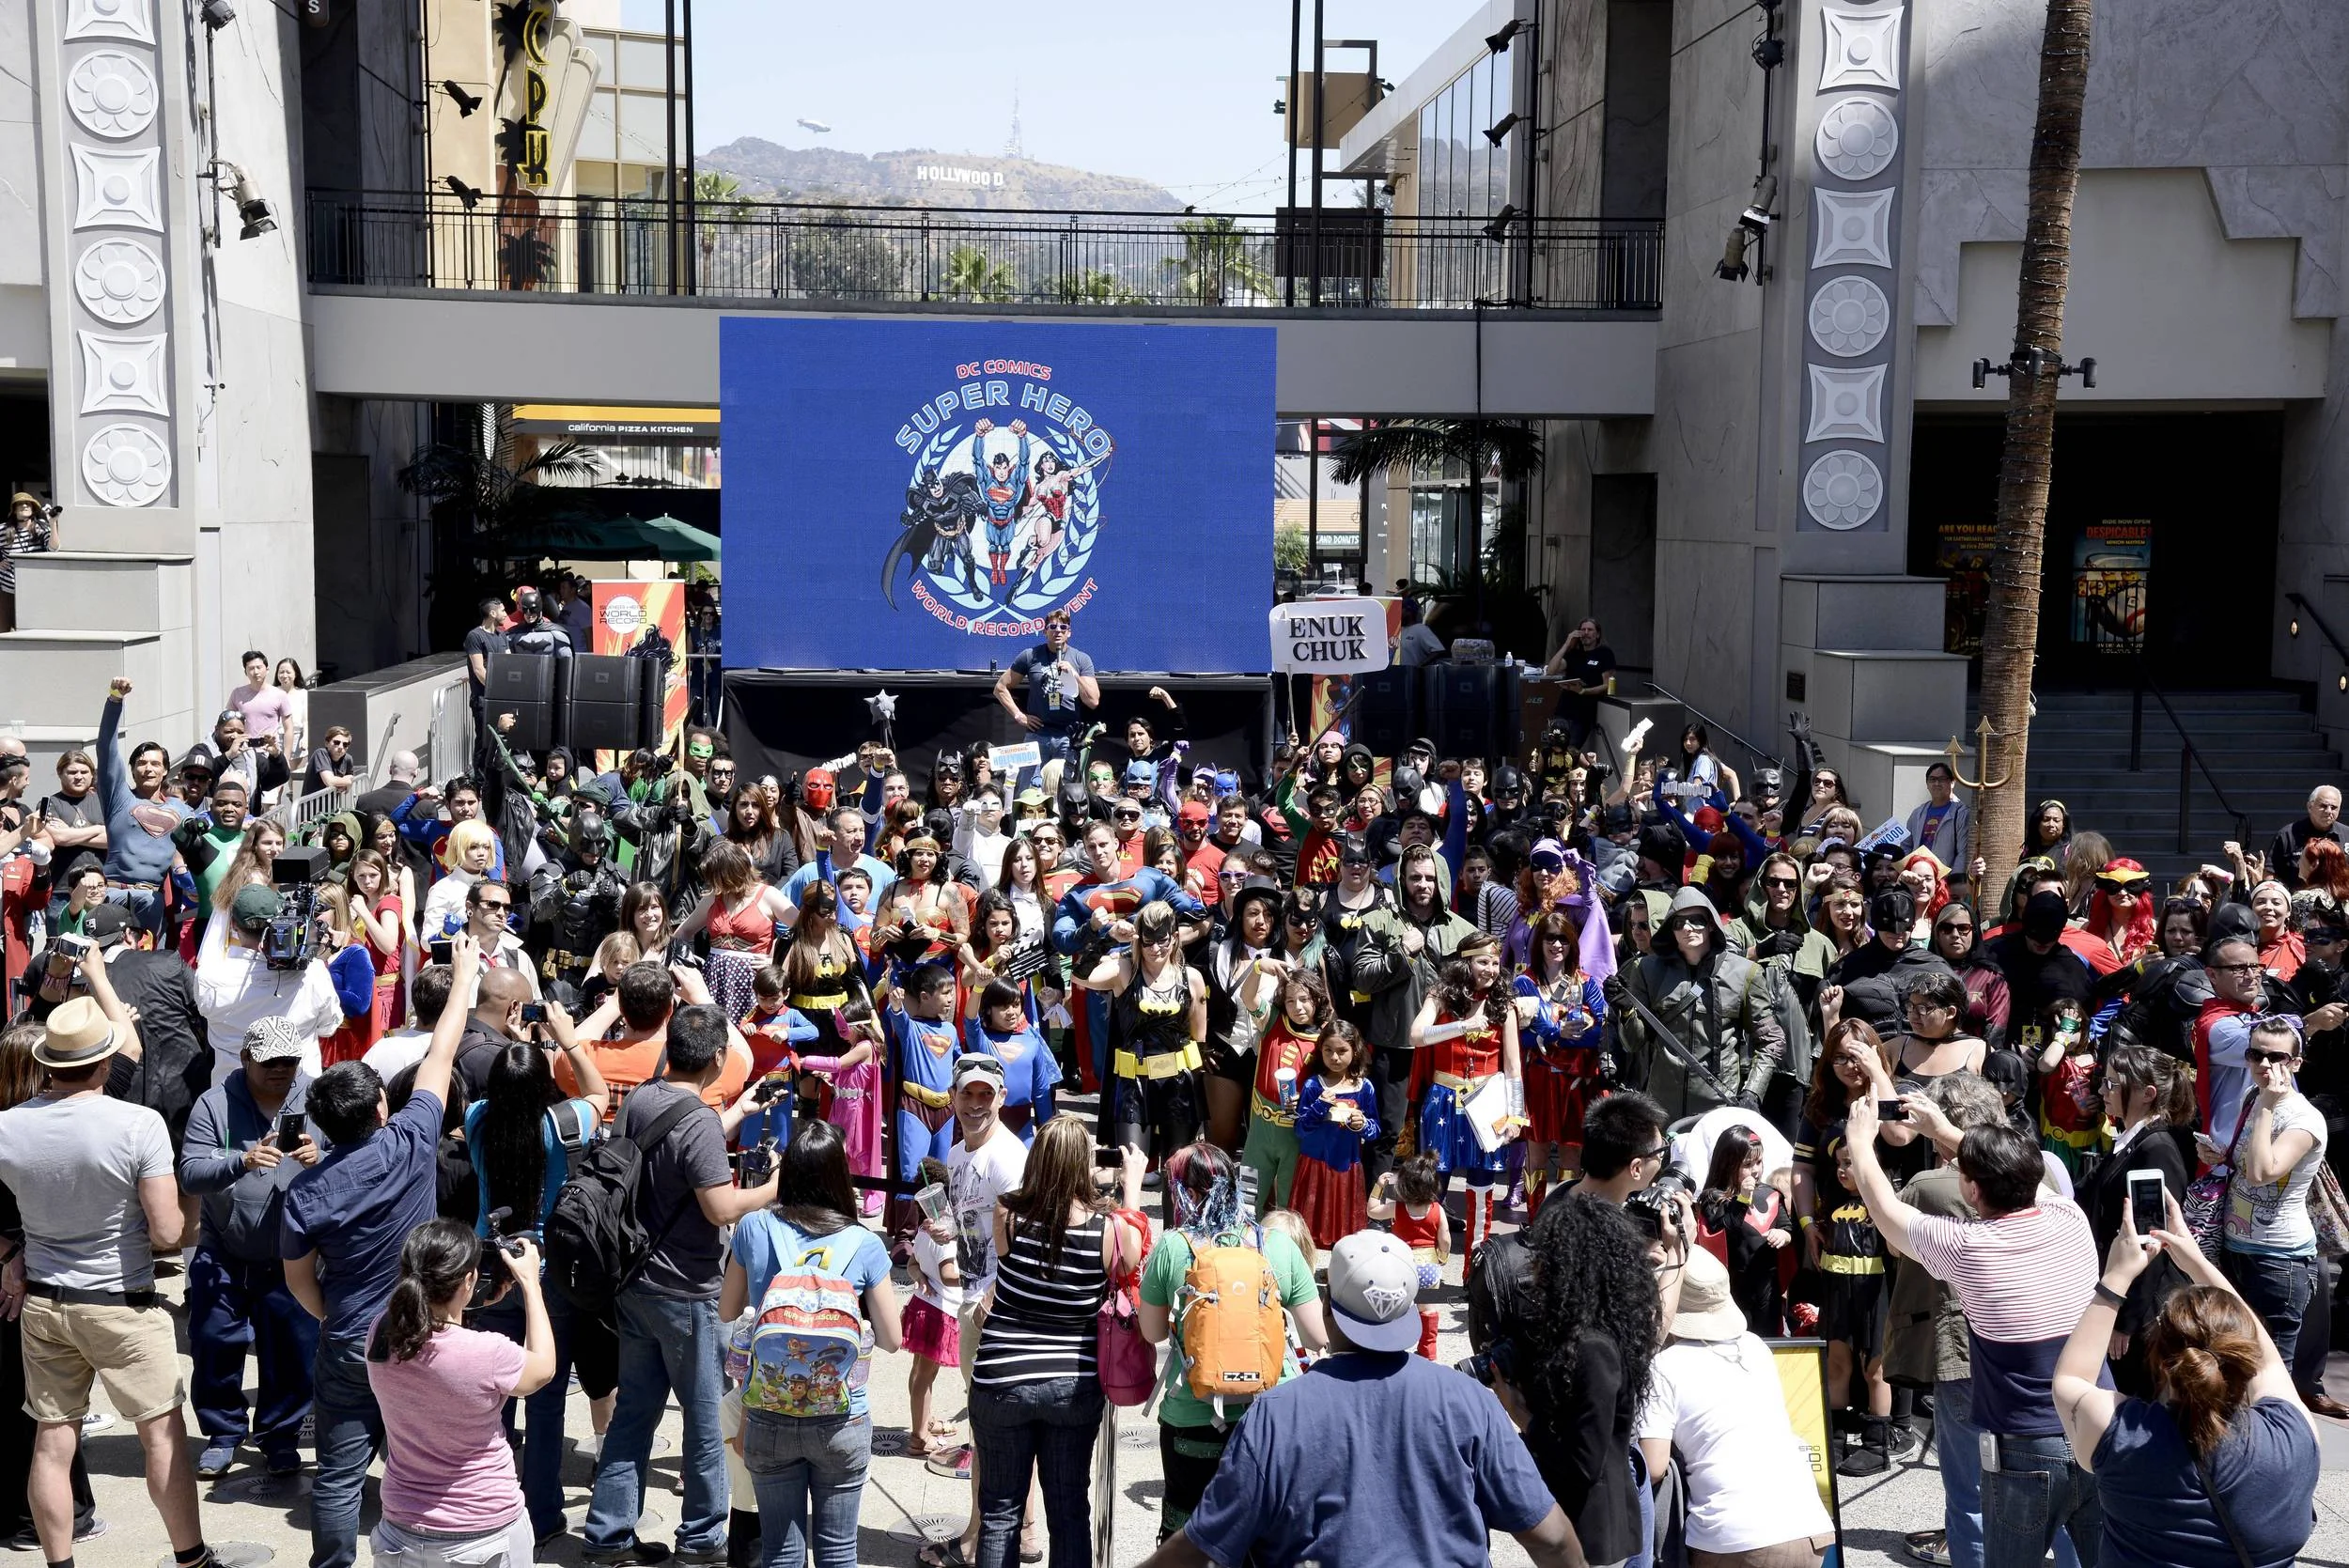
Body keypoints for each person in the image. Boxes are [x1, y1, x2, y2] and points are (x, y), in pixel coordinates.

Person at [1136, 1231, 1586, 1568]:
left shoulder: (1275, 1415)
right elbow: (1550, 1538)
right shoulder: (1471, 1402)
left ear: (1329, 1309)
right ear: (1411, 1311)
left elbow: (1206, 1545)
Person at [0, 975, 221, 1568]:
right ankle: (191, 1557)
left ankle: (59, 1563)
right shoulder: (137, 1124)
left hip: (46, 1304)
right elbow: (169, 1234)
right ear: (103, 1063)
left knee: (52, 1438)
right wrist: (194, 1203)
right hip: (121, 1304)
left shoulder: (9, 1127)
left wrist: (13, 1256)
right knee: (161, 1434)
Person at [281, 932, 479, 1568]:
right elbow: (442, 1051)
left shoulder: (305, 1192)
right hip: (419, 1332)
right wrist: (466, 974)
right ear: (378, 1105)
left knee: (339, 1474)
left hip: (347, 1339)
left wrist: (333, 1317)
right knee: (425, 1464)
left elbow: (298, 1279)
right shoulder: (411, 1139)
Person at [1842, 1099, 2105, 1568]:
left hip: (2027, 1446)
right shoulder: (2071, 1219)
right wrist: (1945, 1131)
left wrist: (1861, 1145)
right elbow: (2019, 1176)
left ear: (1970, 1188)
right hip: (2100, 1425)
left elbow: (1885, 1212)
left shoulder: (1969, 1247)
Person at [581, 1004, 784, 1565]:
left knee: (632, 1416)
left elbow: (675, 1157)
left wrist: (736, 1112)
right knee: (704, 1420)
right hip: (688, 1292)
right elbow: (720, 1207)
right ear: (718, 1058)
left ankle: (607, 1536)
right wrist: (772, 1188)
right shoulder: (695, 1119)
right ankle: (701, 1537)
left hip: (633, 1285)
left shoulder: (644, 1097)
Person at [2050, 1191, 2320, 1568]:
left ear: (2160, 1359)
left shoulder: (2123, 1434)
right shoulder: (2293, 1433)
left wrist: (2116, 1276)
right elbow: (2269, 1360)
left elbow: (2069, 1379)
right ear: (2243, 1357)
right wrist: (2197, 1261)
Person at [718, 1121, 901, 1568]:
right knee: (838, 1551)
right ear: (841, 1175)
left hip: (767, 1411)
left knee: (781, 1549)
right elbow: (894, 1339)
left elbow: (726, 1312)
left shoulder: (754, 1228)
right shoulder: (864, 1243)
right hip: (841, 1414)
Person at [967, 1117, 1147, 1568]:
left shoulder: (1007, 1214)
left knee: (1000, 1513)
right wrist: (1130, 1189)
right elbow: (1133, 1261)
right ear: (1082, 1166)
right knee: (1068, 1511)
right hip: (1073, 1382)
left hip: (1000, 1377)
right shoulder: (1109, 1231)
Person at [1137, 1140, 1328, 1544]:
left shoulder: (1172, 1247)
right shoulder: (1275, 1245)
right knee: (1272, 1534)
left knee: (1187, 1536)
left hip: (1192, 1417)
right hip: (1273, 1415)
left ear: (1184, 1192)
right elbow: (1316, 1336)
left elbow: (1152, 1333)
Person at [364, 1219, 555, 1568]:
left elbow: (434, 1333)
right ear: (469, 1281)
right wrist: (530, 1284)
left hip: (400, 1529)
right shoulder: (489, 1353)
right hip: (483, 1531)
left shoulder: (380, 1332)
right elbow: (543, 1369)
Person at [177, 1018, 321, 1479]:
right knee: (215, 1343)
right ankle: (223, 1434)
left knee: (291, 1352)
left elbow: (352, 1153)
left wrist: (323, 1158)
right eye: (270, 1062)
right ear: (245, 1059)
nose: (282, 1070)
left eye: (290, 1061)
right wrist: (240, 1161)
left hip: (292, 1252)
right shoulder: (214, 1102)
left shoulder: (315, 1097)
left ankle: (280, 1437)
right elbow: (191, 1172)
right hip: (225, 1249)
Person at [1639, 1246, 1836, 1568]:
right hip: (1808, 1527)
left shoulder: (1664, 1366)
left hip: (1732, 1539)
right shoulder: (1755, 1347)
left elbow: (1653, 1466)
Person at [1610, 887, 1787, 1120]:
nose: (1687, 928)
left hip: (1719, 1106)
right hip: (1661, 1107)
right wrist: (1625, 1009)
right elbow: (1633, 1043)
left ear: (1712, 923)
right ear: (1669, 928)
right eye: (1678, 923)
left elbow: (1772, 1040)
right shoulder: (1646, 970)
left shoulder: (1745, 973)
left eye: (1696, 920)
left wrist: (1753, 1092)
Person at [2217, 1016, 2329, 1374]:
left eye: (2276, 1057)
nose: (2263, 1064)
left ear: (2294, 1063)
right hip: (2236, 1248)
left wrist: (2267, 1105)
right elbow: (2249, 1160)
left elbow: (2262, 1172)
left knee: (2271, 1373)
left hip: (2280, 1261)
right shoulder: (2253, 1097)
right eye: (2255, 1054)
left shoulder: (2303, 1119)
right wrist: (2222, 1155)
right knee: (2234, 1361)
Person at [194, 883, 350, 1085]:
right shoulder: (312, 973)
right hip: (297, 1092)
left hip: (231, 1093)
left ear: (233, 925)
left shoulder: (208, 974)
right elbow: (328, 1027)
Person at [94, 677, 193, 936]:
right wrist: (115, 699)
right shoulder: (120, 797)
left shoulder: (182, 810)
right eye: (141, 763)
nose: (148, 768)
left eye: (155, 763)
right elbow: (106, 748)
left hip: (151, 900)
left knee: (147, 967)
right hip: (113, 895)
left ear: (166, 770)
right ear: (132, 770)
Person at [995, 609, 1098, 764]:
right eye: (1053, 627)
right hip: (1037, 733)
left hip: (1068, 735)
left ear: (1069, 633)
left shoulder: (1081, 659)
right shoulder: (1030, 655)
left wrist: (1074, 674)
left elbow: (1093, 701)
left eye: (1063, 628)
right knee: (1028, 786)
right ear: (1045, 631)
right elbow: (1000, 688)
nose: (1058, 631)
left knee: (1066, 786)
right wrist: (1019, 716)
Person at [1543, 617, 1615, 744]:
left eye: (1590, 630)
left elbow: (1608, 685)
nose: (1586, 632)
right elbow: (1550, 671)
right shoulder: (1574, 654)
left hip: (1583, 714)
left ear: (1597, 634)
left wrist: (1583, 691)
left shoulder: (1604, 653)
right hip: (1563, 711)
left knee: (1570, 753)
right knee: (1553, 750)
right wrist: (1567, 644)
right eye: (1583, 629)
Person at [2266, 784, 2341, 892]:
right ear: (2310, 807)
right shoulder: (2287, 835)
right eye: (2323, 806)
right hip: (2296, 904)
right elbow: (2270, 873)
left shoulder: (2346, 835)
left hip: (2340, 903)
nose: (2329, 811)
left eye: (2334, 807)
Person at [1905, 761, 1971, 870]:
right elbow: (1906, 845)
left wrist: (1953, 881)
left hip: (1945, 879)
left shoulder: (1962, 813)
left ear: (1952, 782)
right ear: (1927, 784)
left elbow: (1963, 853)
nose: (1936, 783)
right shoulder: (1918, 813)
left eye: (1942, 779)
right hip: (1918, 876)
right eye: (1932, 780)